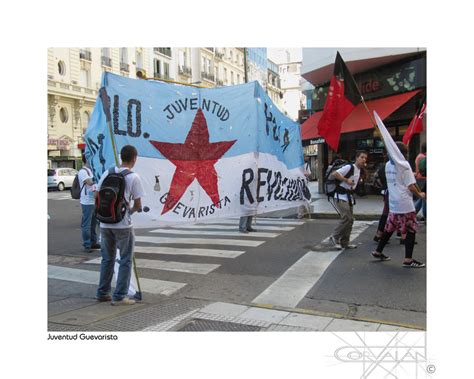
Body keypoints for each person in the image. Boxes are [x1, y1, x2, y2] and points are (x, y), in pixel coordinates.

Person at [96, 145, 146, 305]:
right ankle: (119, 296)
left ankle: (103, 292)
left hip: (105, 222)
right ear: (134, 158)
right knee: (125, 260)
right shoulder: (133, 177)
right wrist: (128, 212)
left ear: (121, 157)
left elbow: (98, 194)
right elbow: (138, 205)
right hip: (123, 225)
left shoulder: (107, 172)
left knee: (107, 258)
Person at [371, 142, 426, 268]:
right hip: (405, 204)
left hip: (394, 203)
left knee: (389, 228)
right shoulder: (404, 165)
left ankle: (378, 251)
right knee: (411, 230)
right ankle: (408, 259)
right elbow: (411, 186)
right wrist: (420, 195)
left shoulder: (387, 165)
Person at [328, 151, 368, 249]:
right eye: (362, 157)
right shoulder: (350, 167)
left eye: (365, 158)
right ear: (357, 158)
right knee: (346, 218)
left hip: (348, 197)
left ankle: (345, 242)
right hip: (340, 196)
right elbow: (334, 174)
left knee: (350, 220)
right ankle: (334, 237)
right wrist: (346, 180)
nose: (364, 160)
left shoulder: (359, 170)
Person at [79, 153, 100, 253]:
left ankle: (93, 242)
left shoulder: (91, 170)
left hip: (94, 200)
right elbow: (89, 182)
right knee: (86, 224)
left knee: (93, 223)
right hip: (87, 201)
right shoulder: (83, 171)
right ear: (87, 159)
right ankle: (87, 244)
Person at [414, 143, 427, 222]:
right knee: (425, 198)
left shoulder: (419, 156)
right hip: (422, 179)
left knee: (422, 198)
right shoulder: (423, 157)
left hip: (420, 178)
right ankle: (426, 216)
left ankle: (413, 213)